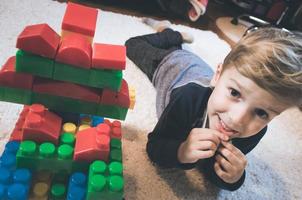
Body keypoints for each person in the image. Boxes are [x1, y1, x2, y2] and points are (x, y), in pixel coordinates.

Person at [125, 18, 302, 191]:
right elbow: (154, 147)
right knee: (132, 44)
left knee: (181, 53)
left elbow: (213, 168)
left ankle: (175, 41)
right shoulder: (188, 98)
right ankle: (171, 34)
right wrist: (181, 151)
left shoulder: (254, 132)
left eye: (261, 113)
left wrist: (234, 178)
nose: (236, 119)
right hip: (170, 65)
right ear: (218, 76)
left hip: (197, 68)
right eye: (234, 93)